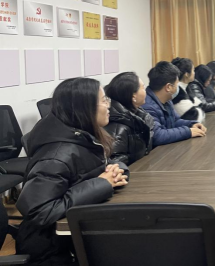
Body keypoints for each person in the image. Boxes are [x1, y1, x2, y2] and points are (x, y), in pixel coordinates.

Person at [16, 78, 130, 265]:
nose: (109, 106)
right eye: (104, 100)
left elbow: (104, 164)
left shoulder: (82, 136)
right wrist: (102, 184)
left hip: (78, 235)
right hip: (52, 249)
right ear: (84, 108)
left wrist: (117, 171)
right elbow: (39, 212)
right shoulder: (57, 156)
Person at [142, 61, 207, 148]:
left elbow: (175, 121)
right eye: (176, 84)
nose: (178, 87)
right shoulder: (147, 106)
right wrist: (188, 131)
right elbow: (158, 136)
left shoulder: (167, 100)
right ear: (168, 87)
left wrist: (191, 124)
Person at [104, 72, 155, 165]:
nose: (145, 91)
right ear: (133, 96)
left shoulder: (139, 114)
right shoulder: (117, 127)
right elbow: (115, 164)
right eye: (143, 87)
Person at [171, 57, 206, 123]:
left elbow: (201, 107)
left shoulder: (186, 87)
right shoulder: (177, 92)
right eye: (193, 70)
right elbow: (193, 117)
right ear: (186, 74)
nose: (194, 73)